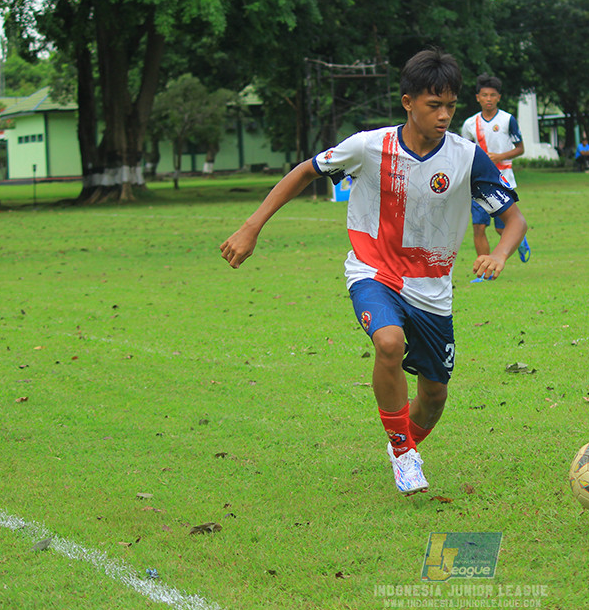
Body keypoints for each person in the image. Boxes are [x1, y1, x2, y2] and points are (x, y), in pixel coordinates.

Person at [219, 49, 527, 496]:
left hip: (433, 288)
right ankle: (403, 453)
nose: (443, 116)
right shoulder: (368, 146)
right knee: (388, 342)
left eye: (450, 106)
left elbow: (514, 218)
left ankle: (404, 446)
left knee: (435, 396)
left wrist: (499, 253)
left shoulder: (467, 157)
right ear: (407, 102)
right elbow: (306, 171)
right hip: (373, 269)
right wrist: (251, 227)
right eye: (432, 105)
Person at [460, 74, 531, 277]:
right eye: (484, 95)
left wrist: (499, 156)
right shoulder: (469, 124)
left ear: (498, 97)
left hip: (503, 179)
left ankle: (519, 239)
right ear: (477, 98)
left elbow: (520, 149)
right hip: (478, 183)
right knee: (479, 227)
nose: (488, 99)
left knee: (503, 229)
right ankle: (484, 272)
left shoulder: (508, 120)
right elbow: (465, 151)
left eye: (492, 95)